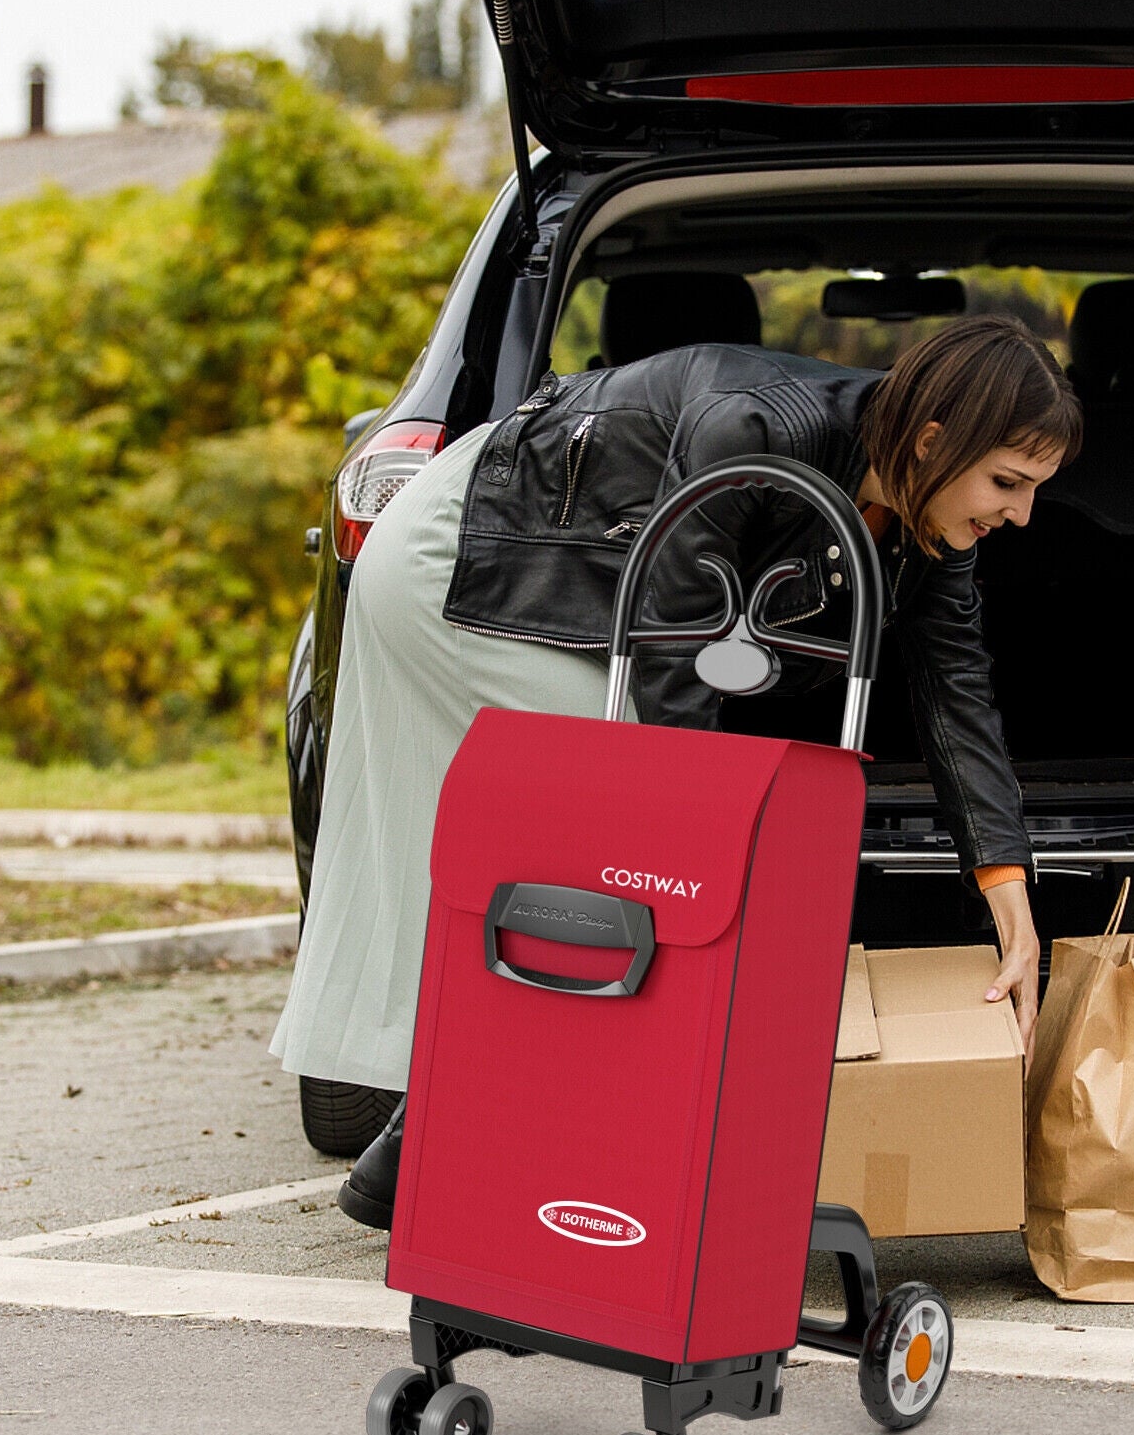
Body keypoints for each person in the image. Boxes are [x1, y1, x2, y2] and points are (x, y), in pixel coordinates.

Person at [269, 315, 1083, 1227]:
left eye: (1035, 489)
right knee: (605, 834)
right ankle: (476, 1149)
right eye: (1008, 482)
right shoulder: (755, 430)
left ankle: (433, 1148)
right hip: (471, 555)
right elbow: (669, 663)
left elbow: (955, 687)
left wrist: (1008, 890)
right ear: (936, 441)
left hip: (587, 594)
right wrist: (701, 874)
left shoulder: (931, 513)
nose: (1021, 515)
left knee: (594, 865)